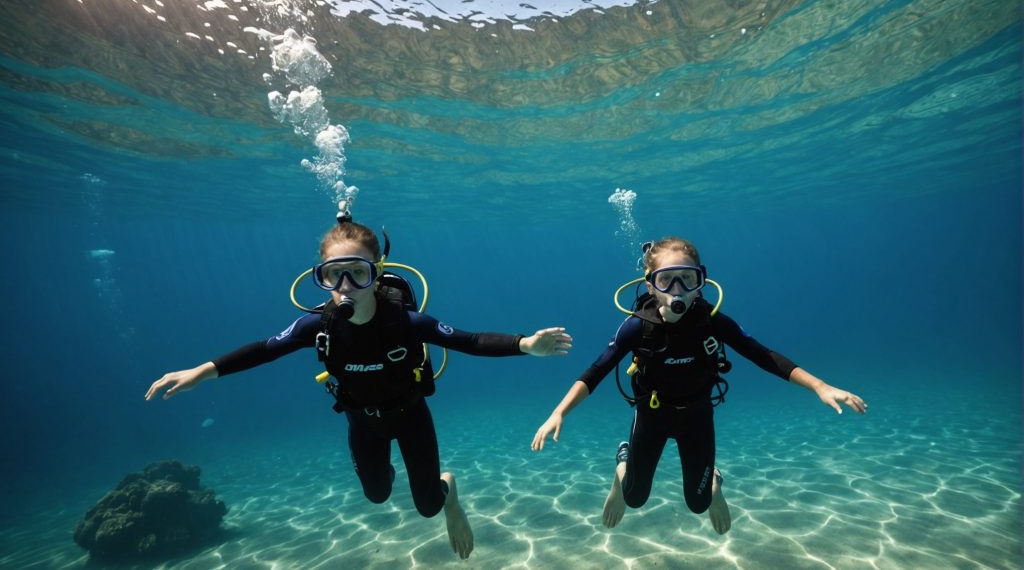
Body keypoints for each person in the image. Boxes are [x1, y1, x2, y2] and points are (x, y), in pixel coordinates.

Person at [146, 220, 572, 560]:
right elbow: (265, 349)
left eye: (358, 272)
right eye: (333, 275)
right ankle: (402, 481)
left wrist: (526, 345)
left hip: (410, 417)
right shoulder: (318, 324)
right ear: (322, 278)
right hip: (361, 422)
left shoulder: (406, 321)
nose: (345, 286)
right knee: (377, 494)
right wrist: (203, 370)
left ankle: (448, 490)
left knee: (428, 506)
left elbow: (470, 340)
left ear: (377, 273)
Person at [531, 236, 866, 534]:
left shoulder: (712, 322)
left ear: (700, 282)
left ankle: (713, 484)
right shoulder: (636, 328)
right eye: (666, 280)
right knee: (634, 498)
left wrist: (820, 387)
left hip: (697, 417)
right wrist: (559, 412)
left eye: (687, 279)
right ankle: (623, 462)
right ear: (651, 286)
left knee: (698, 503)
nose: (677, 290)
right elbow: (596, 371)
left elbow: (763, 355)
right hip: (652, 415)